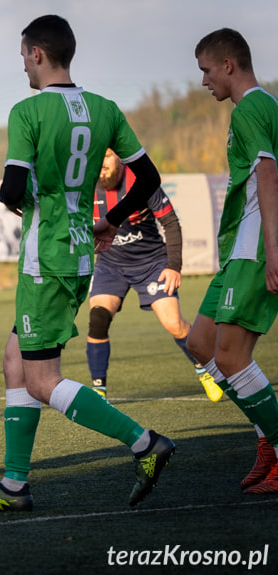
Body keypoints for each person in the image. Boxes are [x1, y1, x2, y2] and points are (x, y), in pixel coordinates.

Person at [0, 15, 174, 513]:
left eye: (23, 57)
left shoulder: (27, 112)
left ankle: (146, 444)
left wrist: (17, 197)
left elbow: (12, 188)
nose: (23, 68)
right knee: (16, 360)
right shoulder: (105, 108)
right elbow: (148, 176)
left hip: (45, 258)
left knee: (41, 380)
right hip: (79, 251)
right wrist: (112, 218)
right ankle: (14, 486)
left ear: (37, 53)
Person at [187, 28, 278, 494]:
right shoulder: (258, 109)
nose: (203, 80)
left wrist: (273, 251)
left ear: (228, 65)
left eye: (206, 69)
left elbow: (268, 174)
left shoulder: (252, 108)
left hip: (256, 246)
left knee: (229, 355)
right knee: (201, 342)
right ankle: (268, 439)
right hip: (239, 249)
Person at [87, 148, 224, 401]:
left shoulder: (141, 181)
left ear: (118, 157)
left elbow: (171, 223)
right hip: (110, 265)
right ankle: (99, 391)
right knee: (97, 318)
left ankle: (205, 369)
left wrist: (173, 266)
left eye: (106, 156)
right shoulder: (84, 186)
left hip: (151, 263)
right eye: (98, 157)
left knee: (174, 323)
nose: (102, 163)